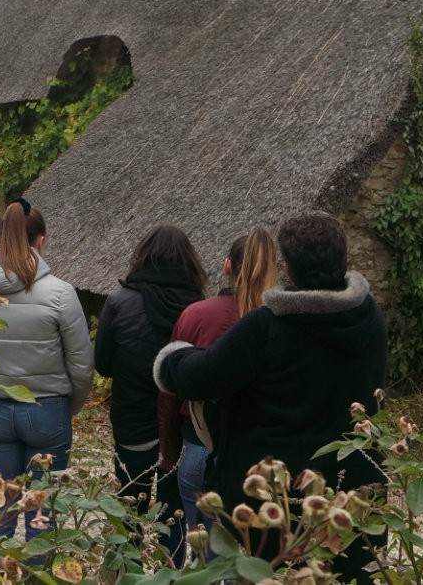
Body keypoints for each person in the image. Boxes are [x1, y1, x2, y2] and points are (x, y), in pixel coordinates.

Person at [154, 213, 387, 582]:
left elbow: (202, 377)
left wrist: (174, 356)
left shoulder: (268, 326)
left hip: (276, 501)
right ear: (343, 262)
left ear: (288, 269)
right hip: (350, 492)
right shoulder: (369, 319)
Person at [0, 199, 94, 537]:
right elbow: (81, 363)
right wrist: (71, 405)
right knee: (41, 513)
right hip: (46, 406)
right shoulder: (61, 294)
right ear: (40, 241)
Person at [94, 225, 208, 558]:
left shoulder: (118, 303)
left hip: (131, 420)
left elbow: (103, 365)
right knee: (173, 513)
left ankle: (125, 571)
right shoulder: (198, 307)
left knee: (129, 505)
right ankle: (169, 573)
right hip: (178, 425)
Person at [166, 227, 277, 546]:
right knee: (236, 552)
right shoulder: (273, 323)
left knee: (201, 548)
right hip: (254, 455)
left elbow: (171, 389)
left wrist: (169, 448)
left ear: (227, 266)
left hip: (198, 446)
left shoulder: (196, 315)